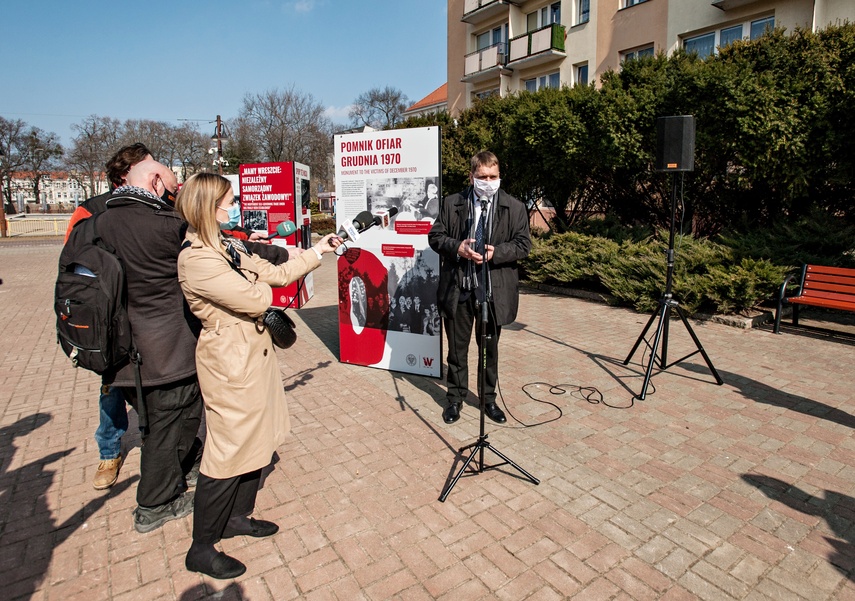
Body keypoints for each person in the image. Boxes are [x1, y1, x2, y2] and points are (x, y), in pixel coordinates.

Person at [175, 173, 341, 579]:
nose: (233, 207)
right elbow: (258, 296)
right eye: (227, 202)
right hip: (229, 361)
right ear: (208, 207)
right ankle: (201, 546)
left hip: (253, 353)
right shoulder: (196, 257)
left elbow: (277, 274)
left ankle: (237, 517)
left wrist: (318, 250)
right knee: (228, 449)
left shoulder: (226, 246)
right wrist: (257, 278)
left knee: (260, 437)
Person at [97, 159, 202, 533]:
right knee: (167, 427)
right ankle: (155, 504)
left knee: (168, 421)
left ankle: (184, 468)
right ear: (156, 182)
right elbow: (216, 255)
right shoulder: (165, 226)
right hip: (166, 354)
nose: (174, 196)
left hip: (117, 354)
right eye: (173, 189)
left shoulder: (97, 221)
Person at [64, 143, 153, 491]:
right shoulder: (90, 212)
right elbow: (73, 266)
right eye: (148, 168)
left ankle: (157, 449)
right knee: (112, 387)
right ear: (124, 174)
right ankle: (109, 451)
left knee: (155, 385)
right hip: (111, 318)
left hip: (150, 312)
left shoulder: (159, 206)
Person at [428, 151, 531, 425]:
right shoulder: (452, 203)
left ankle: (488, 399)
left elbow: (523, 245)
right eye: (482, 177)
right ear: (472, 176)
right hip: (458, 287)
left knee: (489, 351)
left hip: (491, 290)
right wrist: (457, 247)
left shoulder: (515, 207)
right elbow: (436, 236)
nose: (488, 181)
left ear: (499, 176)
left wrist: (495, 252)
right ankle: (454, 399)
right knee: (456, 351)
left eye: (493, 177)